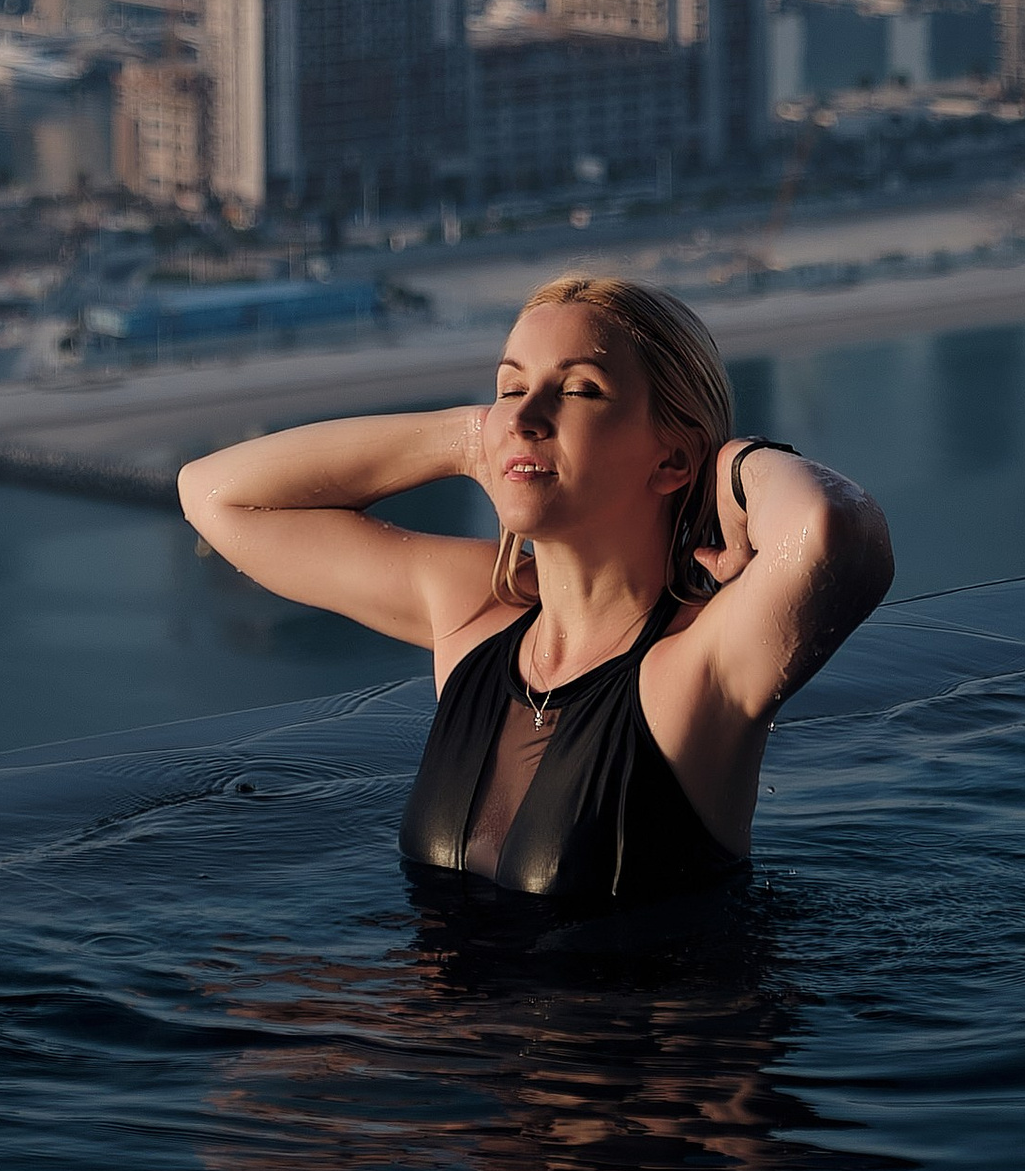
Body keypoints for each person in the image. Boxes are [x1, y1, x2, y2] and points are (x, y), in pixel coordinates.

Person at [178, 272, 893, 907]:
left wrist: (734, 465)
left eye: (578, 390)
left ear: (672, 457)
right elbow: (214, 496)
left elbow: (832, 528)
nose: (525, 416)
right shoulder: (474, 617)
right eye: (511, 387)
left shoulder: (696, 663)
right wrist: (472, 440)